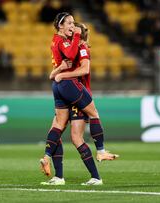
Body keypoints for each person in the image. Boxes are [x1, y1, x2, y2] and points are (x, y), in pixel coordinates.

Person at [40, 13, 117, 185]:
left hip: (69, 88)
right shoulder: (69, 45)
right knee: (76, 130)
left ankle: (85, 175)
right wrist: (60, 73)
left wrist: (58, 73)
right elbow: (77, 68)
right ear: (61, 26)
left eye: (75, 26)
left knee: (65, 131)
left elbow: (84, 69)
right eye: (70, 24)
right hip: (72, 89)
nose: (72, 28)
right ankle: (98, 157)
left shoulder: (81, 48)